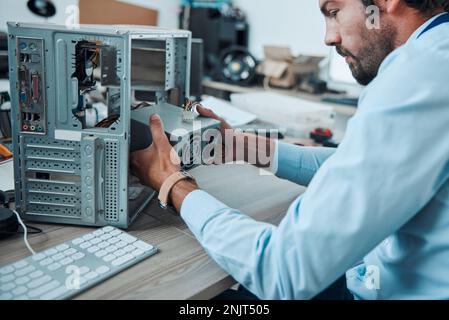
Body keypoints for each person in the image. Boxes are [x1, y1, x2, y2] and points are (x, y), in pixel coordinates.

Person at [130, 0, 449, 300]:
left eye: (334, 11)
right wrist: (243, 145)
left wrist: (174, 184)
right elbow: (357, 165)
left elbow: (281, 272)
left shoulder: (416, 75)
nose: (329, 36)